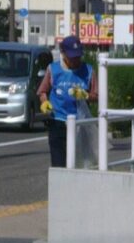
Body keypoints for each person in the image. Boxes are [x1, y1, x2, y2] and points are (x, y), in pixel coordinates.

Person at [37, 35, 97, 168]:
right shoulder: (53, 69)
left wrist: (86, 95)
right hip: (58, 122)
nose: (75, 60)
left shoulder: (88, 71)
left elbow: (97, 96)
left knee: (80, 164)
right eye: (72, 57)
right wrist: (44, 102)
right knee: (59, 164)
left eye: (78, 57)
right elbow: (42, 91)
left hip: (80, 124)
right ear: (63, 53)